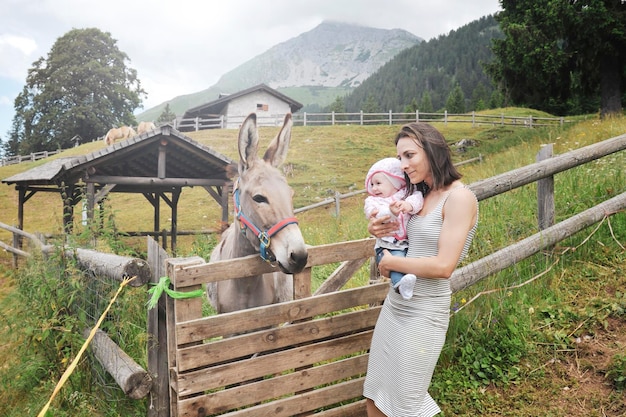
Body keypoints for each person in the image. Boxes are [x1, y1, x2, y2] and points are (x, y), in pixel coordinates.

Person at [363, 122, 479, 417]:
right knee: (375, 395)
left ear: (431, 150)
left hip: (425, 312)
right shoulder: (419, 196)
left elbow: (443, 266)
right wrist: (378, 231)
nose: (403, 165)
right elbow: (400, 240)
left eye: (409, 155)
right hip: (396, 307)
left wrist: (390, 263)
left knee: (405, 405)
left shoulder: (460, 198)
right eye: (399, 158)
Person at [364, 157, 424, 299]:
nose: (374, 188)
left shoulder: (406, 194)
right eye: (372, 184)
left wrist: (408, 206)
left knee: (403, 260)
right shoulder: (374, 201)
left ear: (395, 182)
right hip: (389, 245)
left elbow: (417, 198)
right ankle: (401, 286)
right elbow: (374, 214)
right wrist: (390, 212)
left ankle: (405, 283)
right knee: (396, 260)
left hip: (406, 243)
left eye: (378, 183)